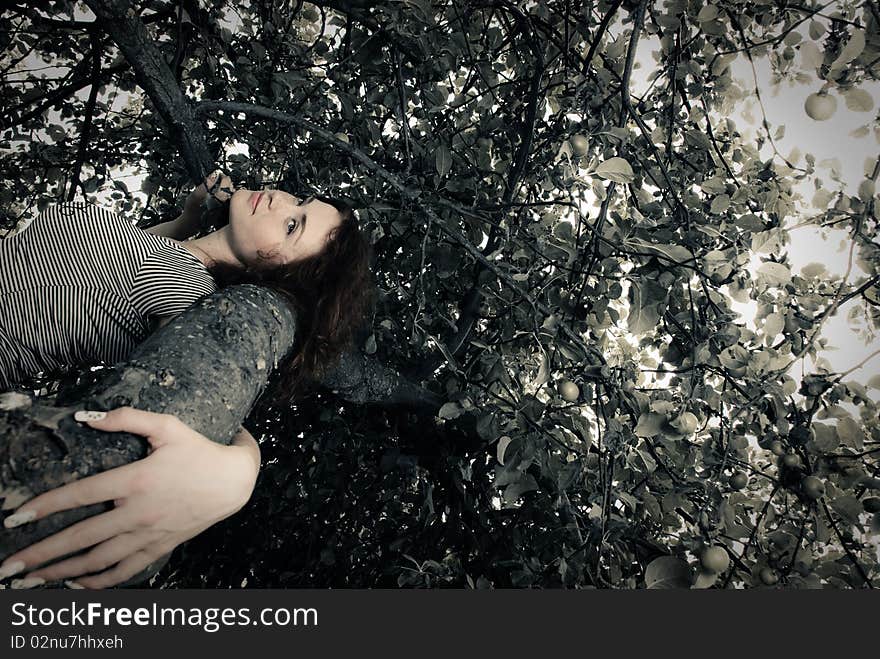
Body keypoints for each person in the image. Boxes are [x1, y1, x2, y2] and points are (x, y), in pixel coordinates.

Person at [0, 172, 376, 588]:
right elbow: (129, 255)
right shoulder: (171, 255)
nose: (280, 199)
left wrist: (241, 470)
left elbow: (209, 387)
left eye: (292, 226)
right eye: (300, 199)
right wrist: (188, 216)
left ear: (277, 274)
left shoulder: (192, 293)